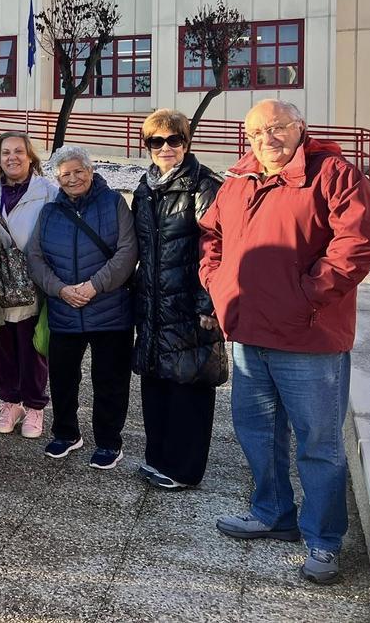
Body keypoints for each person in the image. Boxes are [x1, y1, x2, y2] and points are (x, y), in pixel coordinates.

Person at [200, 99, 370, 584]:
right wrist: (220, 286)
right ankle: (272, 512)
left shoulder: (334, 173)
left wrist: (307, 295)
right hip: (248, 334)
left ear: (300, 127)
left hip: (310, 339)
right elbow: (211, 238)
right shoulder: (239, 180)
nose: (268, 139)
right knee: (257, 434)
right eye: (258, 132)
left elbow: (359, 243)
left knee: (318, 443)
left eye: (279, 127)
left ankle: (324, 540)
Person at [27, 145, 137, 470]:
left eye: (78, 171)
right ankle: (65, 433)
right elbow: (35, 257)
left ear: (90, 171)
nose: (73, 178)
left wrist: (93, 286)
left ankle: (108, 441)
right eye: (65, 174)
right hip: (64, 310)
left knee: (110, 381)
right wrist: (60, 290)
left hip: (110, 310)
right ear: (57, 179)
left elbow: (127, 252)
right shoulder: (49, 213)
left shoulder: (114, 203)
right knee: (62, 379)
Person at [130, 109, 224, 490]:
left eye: (174, 140)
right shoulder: (145, 186)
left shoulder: (204, 185)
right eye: (156, 141)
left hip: (189, 302)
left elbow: (216, 247)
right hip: (153, 302)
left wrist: (209, 303)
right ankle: (159, 458)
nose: (165, 148)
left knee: (190, 382)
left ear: (186, 142)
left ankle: (184, 470)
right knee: (157, 380)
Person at [0, 132, 56, 439]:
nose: (12, 157)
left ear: (30, 156)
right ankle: (10, 402)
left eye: (19, 151)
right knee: (1, 347)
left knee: (31, 346)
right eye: (6, 152)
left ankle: (35, 406)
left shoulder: (47, 190)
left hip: (30, 282)